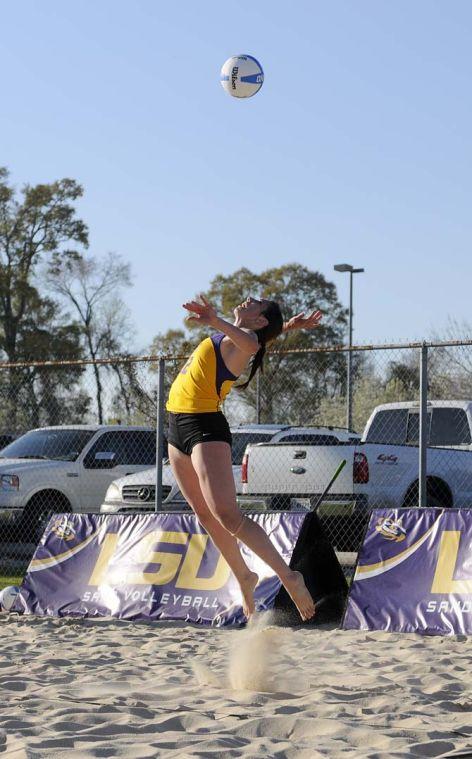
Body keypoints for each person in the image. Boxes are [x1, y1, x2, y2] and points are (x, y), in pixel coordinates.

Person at [166, 294, 323, 621]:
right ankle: (244, 576)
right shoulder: (240, 335)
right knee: (206, 515)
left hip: (203, 426)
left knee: (228, 515)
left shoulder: (245, 339)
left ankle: (288, 576)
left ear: (260, 319)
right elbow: (254, 338)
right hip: (176, 424)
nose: (249, 298)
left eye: (257, 301)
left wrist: (213, 319)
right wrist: (289, 326)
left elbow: (252, 342)